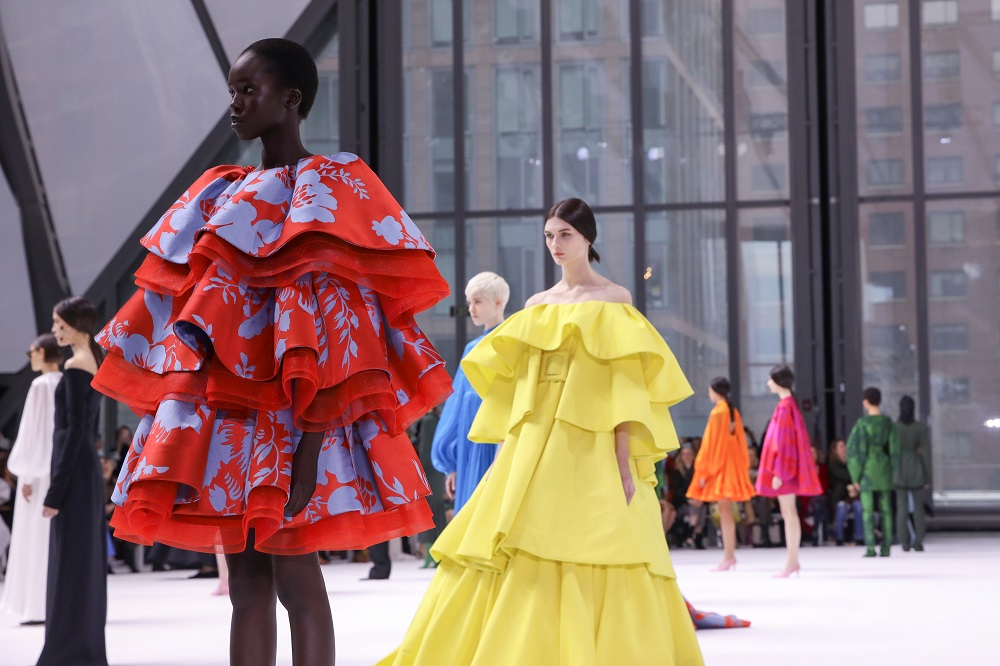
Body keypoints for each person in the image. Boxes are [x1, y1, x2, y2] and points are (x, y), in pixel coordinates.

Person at [93, 39, 451, 665]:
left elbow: (340, 340)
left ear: (291, 98)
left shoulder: (325, 196)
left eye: (247, 91)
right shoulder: (219, 195)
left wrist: (307, 455)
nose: (234, 105)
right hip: (228, 428)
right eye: (232, 91)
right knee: (249, 588)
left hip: (296, 428)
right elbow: (192, 335)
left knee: (297, 582)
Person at [378, 198, 704, 665]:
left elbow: (622, 388)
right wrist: (514, 452)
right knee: (519, 536)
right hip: (534, 443)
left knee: (597, 537)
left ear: (587, 238)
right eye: (549, 235)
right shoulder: (537, 305)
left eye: (565, 234)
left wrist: (623, 456)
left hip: (591, 444)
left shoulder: (616, 300)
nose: (555, 244)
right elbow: (521, 391)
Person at [37, 297, 108, 665]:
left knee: (71, 561)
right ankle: (82, 647)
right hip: (83, 469)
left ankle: (67, 651)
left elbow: (77, 430)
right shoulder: (92, 358)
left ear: (76, 324)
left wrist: (56, 490)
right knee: (82, 561)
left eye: (58, 324)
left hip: (74, 472)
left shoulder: (77, 363)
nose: (54, 330)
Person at [431, 272, 509, 514]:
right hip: (471, 445)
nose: (471, 309)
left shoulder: (511, 343)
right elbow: (455, 410)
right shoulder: (471, 349)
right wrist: (451, 465)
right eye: (469, 302)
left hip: (501, 441)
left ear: (497, 302)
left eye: (477, 301)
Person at [0, 334, 62, 624]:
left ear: (40, 352)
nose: (30, 358)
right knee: (50, 539)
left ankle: (34, 604)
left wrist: (25, 472)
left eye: (31, 353)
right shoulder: (65, 382)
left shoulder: (40, 385)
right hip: (57, 471)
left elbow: (33, 435)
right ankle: (50, 603)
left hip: (37, 474)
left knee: (34, 537)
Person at [755, 364, 823, 577]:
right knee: (790, 514)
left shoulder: (785, 407)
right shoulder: (789, 405)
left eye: (770, 380)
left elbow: (783, 443)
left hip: (784, 471)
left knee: (789, 514)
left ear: (778, 381)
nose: (768, 383)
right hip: (787, 469)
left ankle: (791, 561)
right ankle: (792, 561)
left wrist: (778, 473)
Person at [687, 377, 756, 570]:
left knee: (725, 511)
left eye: (710, 390)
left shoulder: (718, 412)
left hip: (721, 469)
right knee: (726, 512)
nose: (709, 394)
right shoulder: (731, 411)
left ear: (716, 391)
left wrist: (703, 472)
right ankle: (729, 555)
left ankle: (729, 556)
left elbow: (711, 446)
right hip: (730, 468)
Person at [846, 387, 899, 558]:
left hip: (868, 470)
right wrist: (893, 469)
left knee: (867, 510)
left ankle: (870, 547)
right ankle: (886, 547)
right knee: (886, 509)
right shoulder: (887, 422)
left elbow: (856, 451)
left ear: (866, 401)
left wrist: (856, 476)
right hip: (884, 467)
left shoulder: (863, 423)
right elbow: (894, 449)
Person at [893, 395, 931, 552]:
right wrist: (927, 476)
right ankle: (918, 541)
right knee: (918, 508)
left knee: (901, 507)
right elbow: (926, 454)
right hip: (916, 467)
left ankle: (904, 542)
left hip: (899, 469)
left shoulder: (894, 427)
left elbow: (891, 451)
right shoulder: (920, 428)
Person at [415, 406, 445, 568]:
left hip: (428, 472)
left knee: (429, 512)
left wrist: (420, 472)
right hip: (436, 471)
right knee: (436, 512)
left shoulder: (427, 422)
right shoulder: (435, 420)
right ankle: (436, 556)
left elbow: (425, 449)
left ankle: (430, 556)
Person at [669, 442, 706, 549]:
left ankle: (691, 535)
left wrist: (699, 499)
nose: (687, 456)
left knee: (700, 507)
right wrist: (689, 500)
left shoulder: (697, 471)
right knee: (695, 508)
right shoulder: (676, 472)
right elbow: (678, 491)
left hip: (698, 500)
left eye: (689, 453)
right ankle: (695, 536)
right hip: (683, 502)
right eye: (684, 454)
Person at [827, 439, 863, 546]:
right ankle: (839, 537)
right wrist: (853, 479)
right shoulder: (833, 464)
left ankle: (860, 537)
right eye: (841, 446)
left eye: (845, 446)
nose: (845, 449)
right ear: (835, 450)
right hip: (839, 497)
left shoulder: (851, 462)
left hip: (854, 497)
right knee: (841, 507)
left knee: (858, 506)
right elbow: (845, 476)